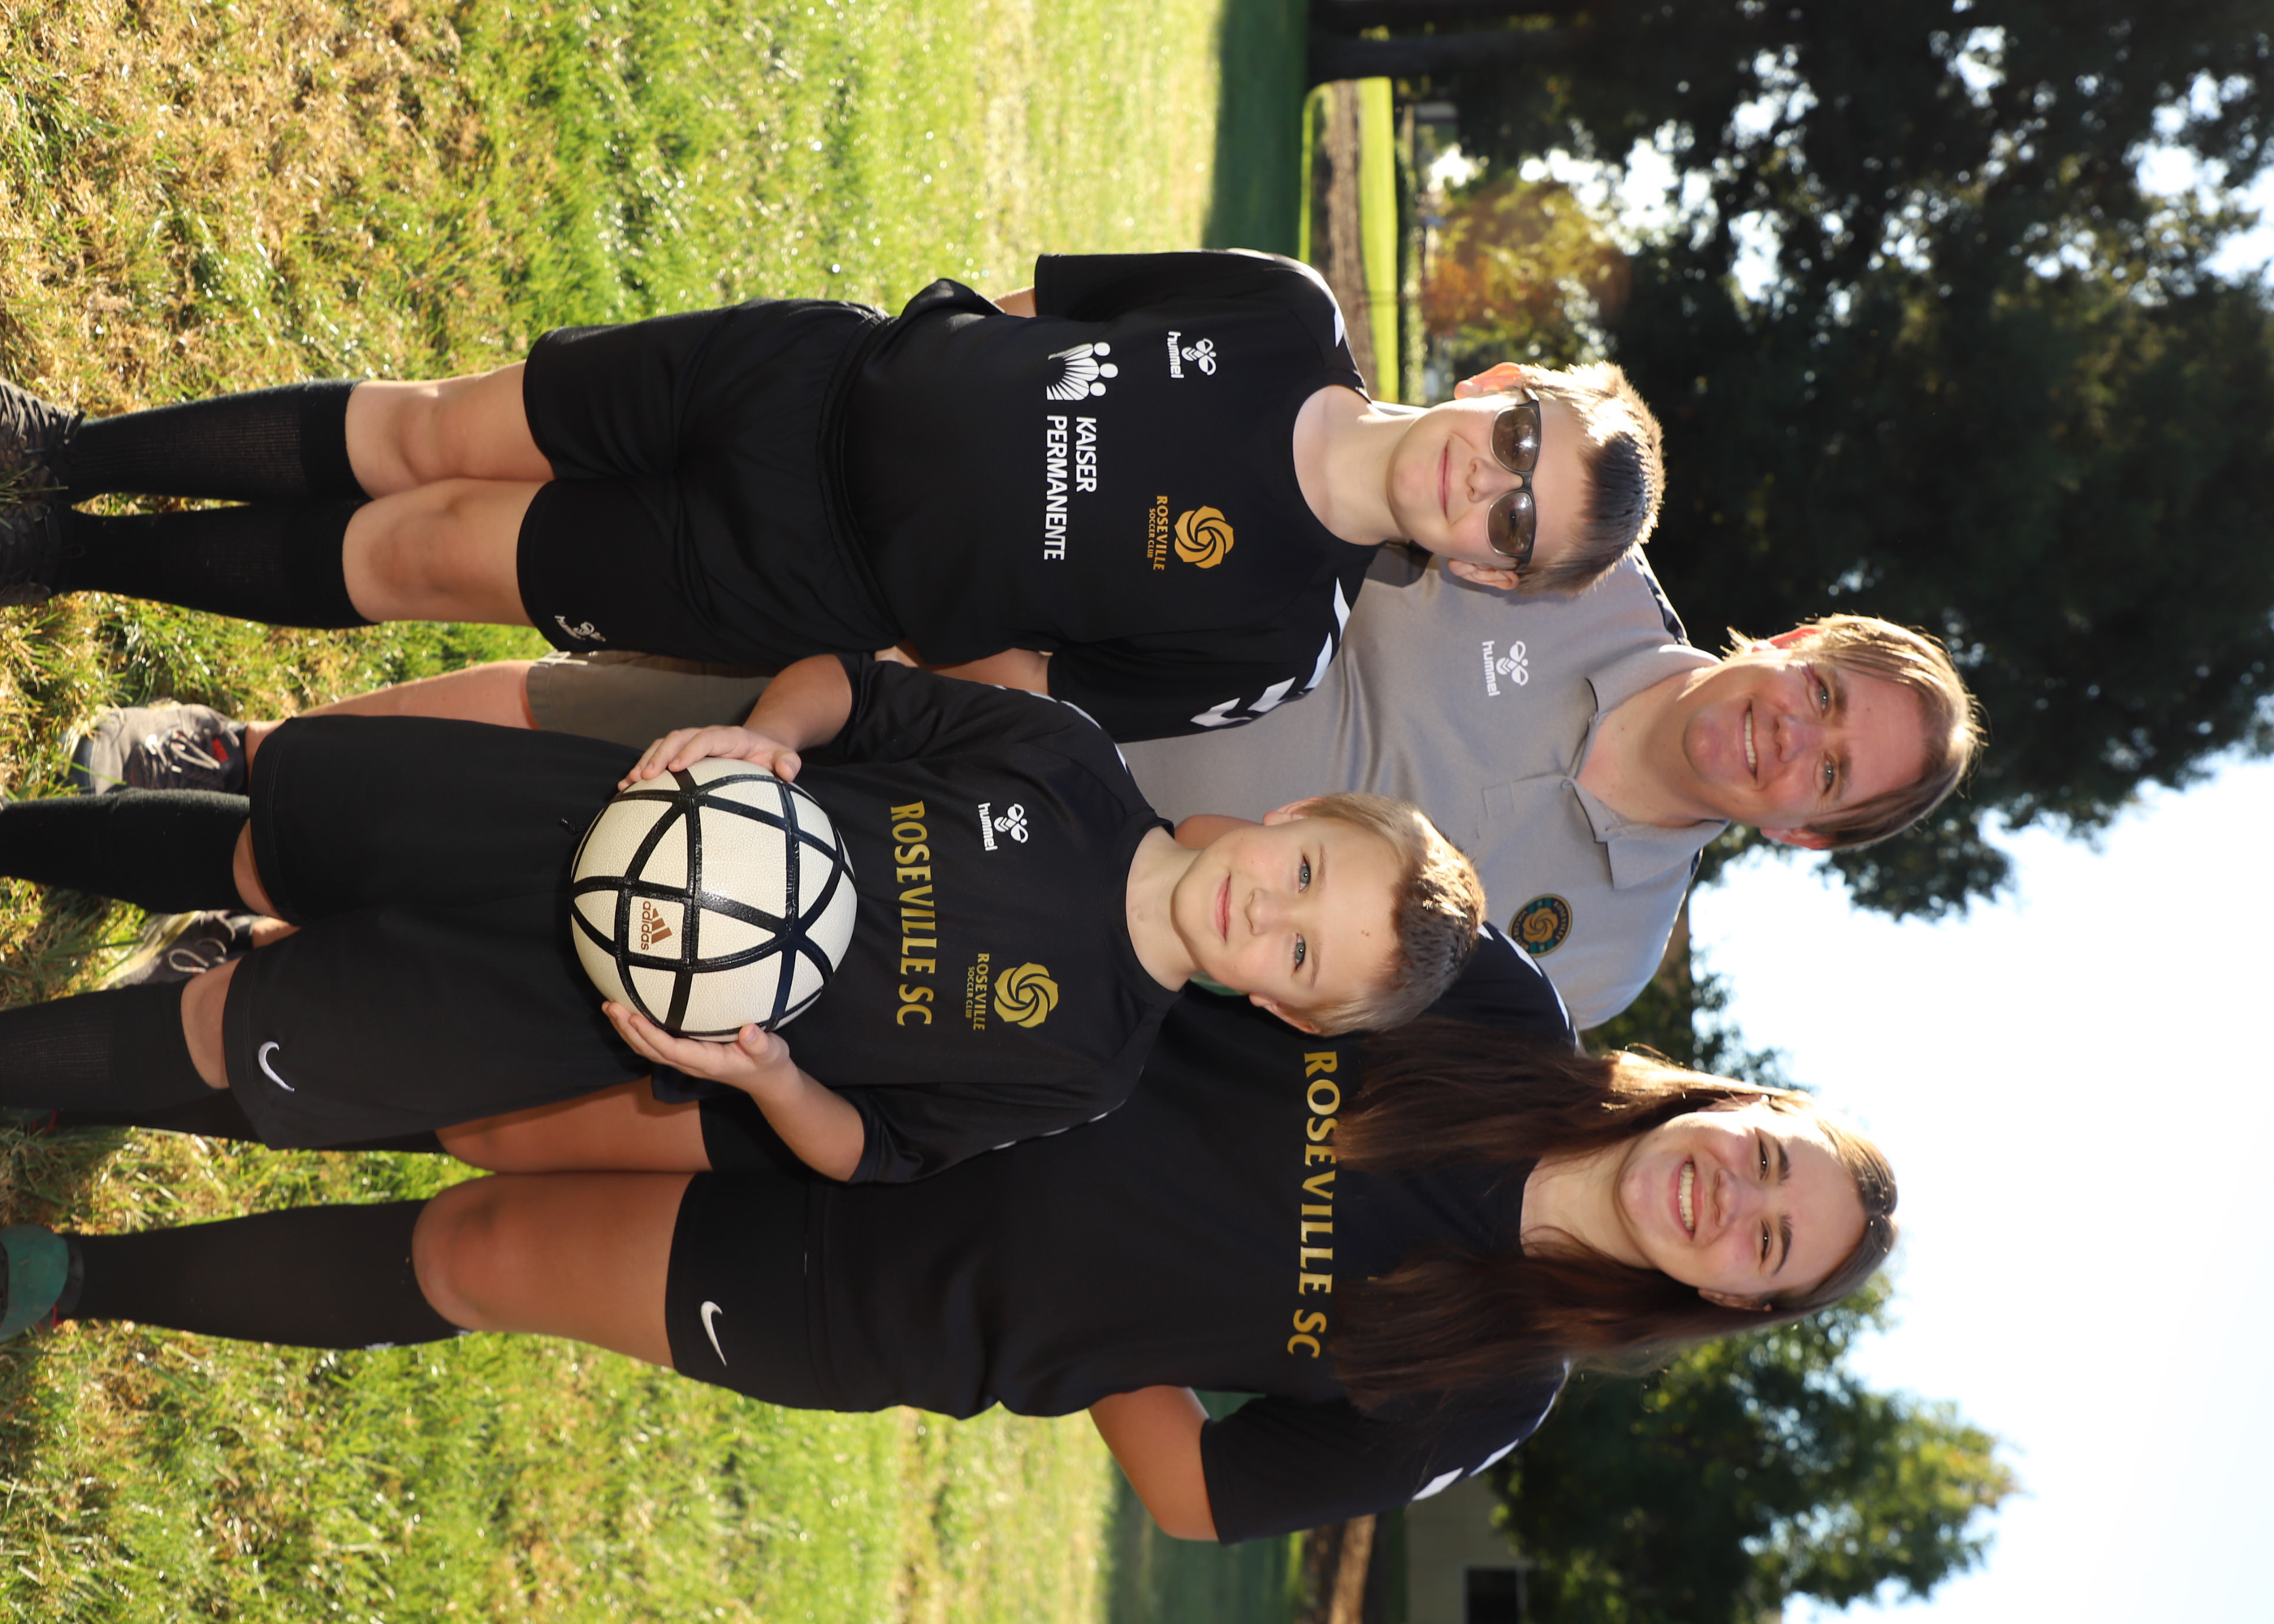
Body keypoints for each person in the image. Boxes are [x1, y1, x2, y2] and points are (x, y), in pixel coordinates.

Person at [0, 929, 1897, 1542]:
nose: (1732, 1200)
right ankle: (95, 1077)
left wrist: (1099, 1319)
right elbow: (1232, 921)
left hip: (889, 1302)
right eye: (1766, 1162)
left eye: (1765, 1244)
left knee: (481, 1255)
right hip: (890, 1077)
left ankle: (74, 1280)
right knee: (479, 1106)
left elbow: (1199, 1498)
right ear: (1733, 1102)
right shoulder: (1486, 1009)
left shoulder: (1487, 1385)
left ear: (1718, 1295)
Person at [68, 561, 1984, 1029]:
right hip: (983, 698)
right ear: (1794, 639)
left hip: (1013, 924)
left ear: (1805, 833)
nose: (1788, 739)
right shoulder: (1577, 563)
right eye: (1821, 697)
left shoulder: (1604, 954)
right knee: (606, 726)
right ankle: (249, 762)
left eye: (1828, 773)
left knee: (656, 956)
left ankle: (266, 949)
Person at [0, 252, 1666, 742]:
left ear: (1489, 578)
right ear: (1502, 385)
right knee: (434, 425)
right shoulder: (1281, 309)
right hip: (797, 376)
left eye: (1516, 527)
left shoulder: (1274, 643)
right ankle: (73, 449)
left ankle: (59, 555)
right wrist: (913, 370)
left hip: (787, 572)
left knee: (431, 548)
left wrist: (848, 627)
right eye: (1522, 443)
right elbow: (1041, 310)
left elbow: (1013, 679)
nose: (1491, 484)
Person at [0, 653, 1484, 1181]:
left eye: (1299, 952)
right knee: (265, 853)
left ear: (1277, 1007)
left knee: (233, 1025)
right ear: (1295, 814)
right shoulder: (1067, 763)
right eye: (1306, 874)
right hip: (580, 816)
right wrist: (768, 736)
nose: (1266, 910)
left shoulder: (1085, 1064)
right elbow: (855, 690)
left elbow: (875, 1151)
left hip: (581, 1012)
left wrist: (770, 1076)